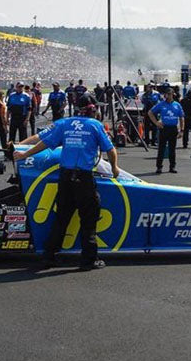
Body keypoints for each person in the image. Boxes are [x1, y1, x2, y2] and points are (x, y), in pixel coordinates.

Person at [15, 94, 119, 271]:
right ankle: (88, 260)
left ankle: (49, 256)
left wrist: (24, 154)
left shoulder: (64, 123)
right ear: (92, 110)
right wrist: (115, 168)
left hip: (65, 177)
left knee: (61, 217)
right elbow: (110, 149)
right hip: (84, 177)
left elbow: (44, 142)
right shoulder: (95, 125)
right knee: (89, 218)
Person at [148, 90, 184, 174]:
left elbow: (181, 117)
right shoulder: (161, 104)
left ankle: (172, 166)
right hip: (164, 128)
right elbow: (150, 112)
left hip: (173, 128)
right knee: (161, 148)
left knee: (172, 149)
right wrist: (156, 122)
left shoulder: (177, 105)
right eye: (166, 94)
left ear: (172, 95)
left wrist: (181, 130)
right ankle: (159, 167)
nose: (167, 96)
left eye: (169, 94)